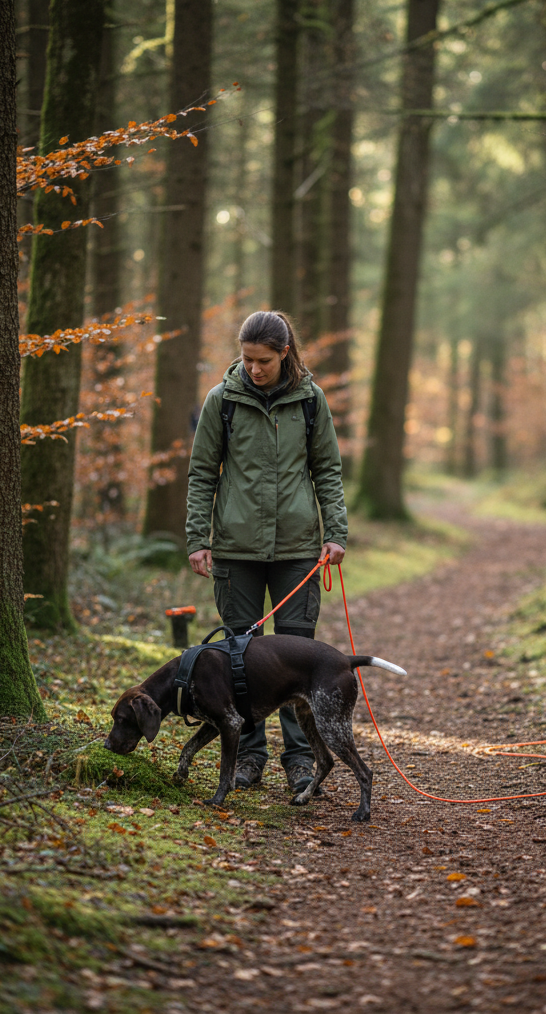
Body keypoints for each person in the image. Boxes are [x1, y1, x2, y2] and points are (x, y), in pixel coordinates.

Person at [185, 310, 348, 795]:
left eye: (263, 360)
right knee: (239, 658)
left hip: (299, 549)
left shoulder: (312, 401)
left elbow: (328, 472)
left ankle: (301, 761)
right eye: (246, 359)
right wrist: (198, 538)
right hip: (235, 551)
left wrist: (335, 532)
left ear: (285, 353)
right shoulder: (222, 401)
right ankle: (248, 757)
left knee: (296, 657)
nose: (254, 369)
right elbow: (201, 475)